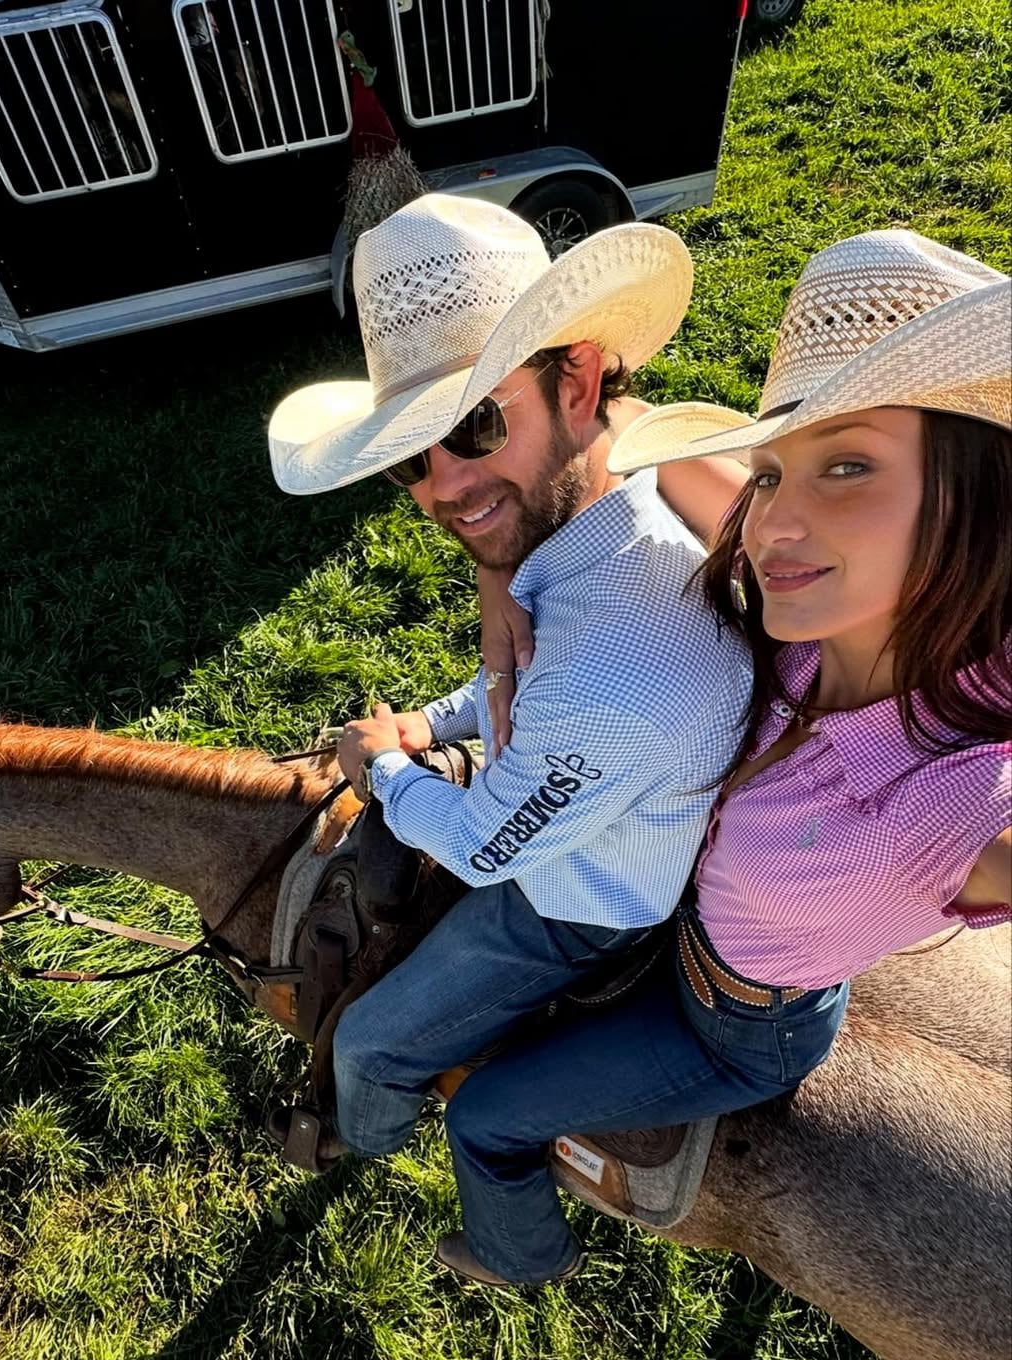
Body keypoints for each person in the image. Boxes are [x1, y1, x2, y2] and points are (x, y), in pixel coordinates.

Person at [434, 227, 1011, 1287]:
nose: (771, 525)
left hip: (743, 1026)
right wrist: (497, 583)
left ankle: (518, 1252)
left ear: (978, 491)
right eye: (774, 468)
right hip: (677, 910)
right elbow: (642, 433)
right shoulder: (812, 607)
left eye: (849, 465)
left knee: (486, 1112)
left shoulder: (959, 796)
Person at [265, 192, 751, 1175]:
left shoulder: (612, 677)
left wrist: (384, 770)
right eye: (410, 454)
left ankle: (369, 1140)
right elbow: (520, 665)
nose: (443, 483)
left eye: (476, 424)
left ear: (576, 380)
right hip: (594, 799)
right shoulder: (600, 524)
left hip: (578, 903)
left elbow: (488, 847)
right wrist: (449, 711)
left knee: (368, 1042)